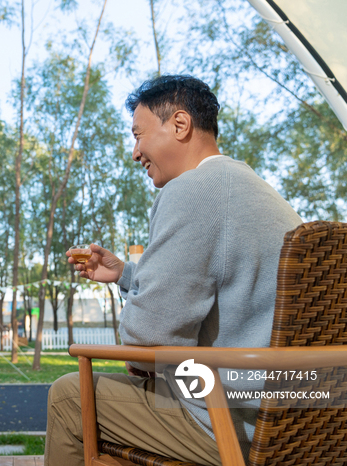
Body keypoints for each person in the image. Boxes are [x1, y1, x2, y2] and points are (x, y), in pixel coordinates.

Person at [45, 75, 302, 466]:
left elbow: (145, 344)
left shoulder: (192, 190)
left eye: (138, 135)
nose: (135, 152)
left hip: (232, 421)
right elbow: (226, 286)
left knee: (69, 397)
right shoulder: (252, 187)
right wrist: (126, 276)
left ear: (180, 125)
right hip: (296, 417)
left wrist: (140, 339)